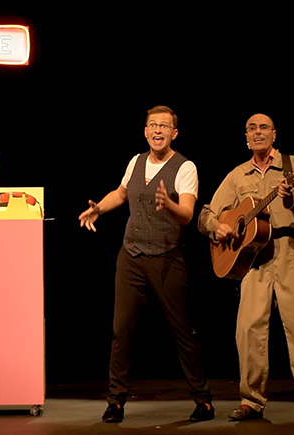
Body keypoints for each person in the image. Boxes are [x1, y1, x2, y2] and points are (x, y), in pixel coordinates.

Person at [198, 113, 294, 423]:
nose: (258, 132)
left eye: (264, 128)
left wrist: (292, 197)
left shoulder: (293, 165)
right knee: (248, 331)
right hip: (254, 261)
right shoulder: (238, 175)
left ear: (274, 135)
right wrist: (216, 227)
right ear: (246, 138)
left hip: (291, 255)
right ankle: (251, 400)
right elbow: (206, 213)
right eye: (252, 128)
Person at [79, 105, 214, 423]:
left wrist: (169, 205)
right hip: (131, 256)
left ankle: (203, 401)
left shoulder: (185, 167)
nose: (158, 130)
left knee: (182, 330)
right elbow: (121, 193)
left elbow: (187, 214)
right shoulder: (136, 161)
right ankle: (115, 401)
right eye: (153, 125)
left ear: (174, 133)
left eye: (164, 126)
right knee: (121, 329)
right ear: (145, 131)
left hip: (166, 257)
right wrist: (99, 208)